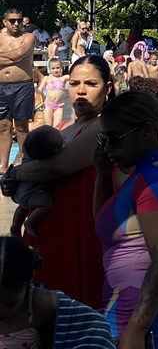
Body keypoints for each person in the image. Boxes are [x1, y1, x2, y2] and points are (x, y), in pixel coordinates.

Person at [94, 90, 158, 348]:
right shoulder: (152, 168)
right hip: (139, 304)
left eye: (115, 138)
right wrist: (103, 172)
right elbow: (106, 223)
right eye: (104, 139)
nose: (108, 147)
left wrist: (135, 331)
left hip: (140, 312)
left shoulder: (157, 181)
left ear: (146, 131)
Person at [0, 55, 109, 307]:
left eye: (91, 84)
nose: (80, 90)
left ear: (108, 87)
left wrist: (14, 174)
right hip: (48, 233)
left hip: (79, 232)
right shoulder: (61, 129)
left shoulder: (103, 127)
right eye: (74, 83)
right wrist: (13, 185)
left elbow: (55, 168)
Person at [0, 235, 115, 348]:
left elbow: (92, 326)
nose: (1, 312)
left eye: (11, 303)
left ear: (30, 279)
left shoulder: (39, 305)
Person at [0, 7, 37, 173]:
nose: (17, 24)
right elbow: (15, 56)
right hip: (1, 87)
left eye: (19, 20)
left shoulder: (29, 37)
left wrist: (6, 56)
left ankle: (25, 160)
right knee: (3, 127)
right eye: (13, 21)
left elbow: (19, 55)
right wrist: (13, 56)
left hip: (22, 85)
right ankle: (3, 164)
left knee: (22, 127)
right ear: (5, 22)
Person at [9, 125, 63, 236]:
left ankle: (16, 225)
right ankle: (30, 223)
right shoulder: (47, 161)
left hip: (19, 191)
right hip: (32, 194)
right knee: (45, 203)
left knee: (22, 207)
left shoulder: (28, 153)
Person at [37, 57, 68, 130]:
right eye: (53, 68)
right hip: (48, 105)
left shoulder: (63, 78)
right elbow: (39, 90)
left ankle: (56, 140)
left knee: (57, 127)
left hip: (59, 106)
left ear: (61, 67)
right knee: (48, 126)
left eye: (58, 68)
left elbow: (74, 76)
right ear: (49, 69)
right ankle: (47, 140)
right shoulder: (47, 78)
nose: (56, 70)